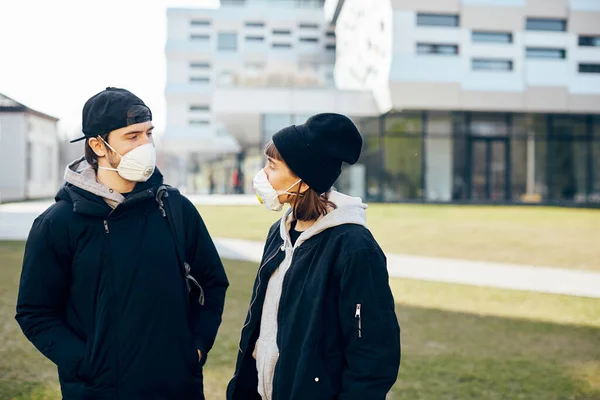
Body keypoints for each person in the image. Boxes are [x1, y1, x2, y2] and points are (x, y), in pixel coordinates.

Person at [15, 87, 229, 400]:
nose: (146, 145)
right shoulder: (57, 223)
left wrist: (195, 346)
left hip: (177, 387)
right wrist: (86, 363)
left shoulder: (176, 208)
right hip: (99, 391)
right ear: (97, 145)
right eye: (132, 136)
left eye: (148, 134)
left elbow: (211, 283)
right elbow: (35, 312)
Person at [227, 113, 401, 400]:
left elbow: (373, 354)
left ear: (304, 180)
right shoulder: (279, 232)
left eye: (272, 165)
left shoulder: (355, 247)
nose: (263, 175)